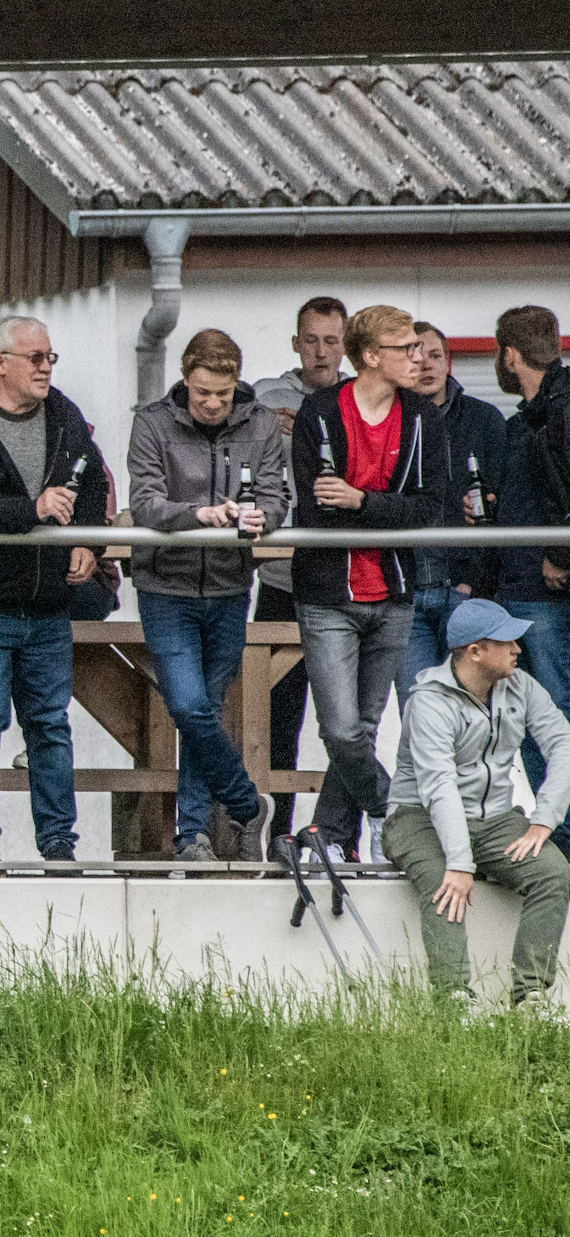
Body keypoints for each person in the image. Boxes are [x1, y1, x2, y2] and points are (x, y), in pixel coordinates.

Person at [0, 315, 107, 862]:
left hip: (47, 601)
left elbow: (93, 482)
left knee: (50, 726)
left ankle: (58, 843)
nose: (46, 367)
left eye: (50, 357)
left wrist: (88, 543)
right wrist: (31, 509)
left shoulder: (65, 415)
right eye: (35, 357)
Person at [290, 304, 446, 862]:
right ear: (371, 356)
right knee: (339, 729)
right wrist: (383, 511)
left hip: (394, 590)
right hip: (329, 592)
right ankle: (392, 814)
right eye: (406, 347)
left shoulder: (423, 417)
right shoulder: (321, 411)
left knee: (364, 725)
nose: (419, 356)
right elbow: (314, 509)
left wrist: (362, 500)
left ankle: (331, 838)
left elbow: (430, 508)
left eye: (422, 347)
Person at [126, 329, 287, 862]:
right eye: (202, 394)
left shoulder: (261, 424)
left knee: (206, 711)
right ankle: (245, 804)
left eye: (222, 393)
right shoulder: (152, 422)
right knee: (191, 707)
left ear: (236, 382)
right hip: (164, 585)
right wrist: (200, 516)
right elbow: (145, 503)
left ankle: (191, 833)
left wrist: (266, 516)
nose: (213, 404)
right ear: (185, 381)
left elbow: (275, 494)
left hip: (229, 584)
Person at [383, 598, 570, 1009]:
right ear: (475, 651)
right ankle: (454, 1000)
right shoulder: (429, 701)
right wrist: (459, 863)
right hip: (418, 817)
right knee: (441, 882)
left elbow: (564, 743)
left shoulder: (520, 685)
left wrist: (543, 820)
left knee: (553, 872)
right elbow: (439, 788)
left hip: (495, 818)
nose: (518, 649)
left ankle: (531, 996)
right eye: (507, 642)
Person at [251, 296, 349, 833]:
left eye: (331, 341)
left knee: (344, 723)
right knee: (276, 719)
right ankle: (275, 835)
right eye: (310, 340)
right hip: (280, 579)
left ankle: (340, 838)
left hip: (343, 583)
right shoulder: (264, 397)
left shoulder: (363, 399)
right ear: (295, 344)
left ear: (347, 345)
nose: (321, 352)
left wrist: (315, 427)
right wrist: (261, 426)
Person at [489, 304, 570, 844]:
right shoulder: (532, 417)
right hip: (524, 589)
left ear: (510, 355)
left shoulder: (558, 412)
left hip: (542, 590)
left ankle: (560, 836)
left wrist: (560, 557)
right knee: (535, 719)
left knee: (551, 720)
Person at [398, 321, 507, 710]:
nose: (426, 364)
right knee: (418, 714)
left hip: (467, 593)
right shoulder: (388, 423)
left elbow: (504, 508)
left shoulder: (485, 419)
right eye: (415, 356)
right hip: (407, 594)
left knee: (473, 714)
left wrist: (475, 584)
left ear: (449, 362)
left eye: (435, 355)